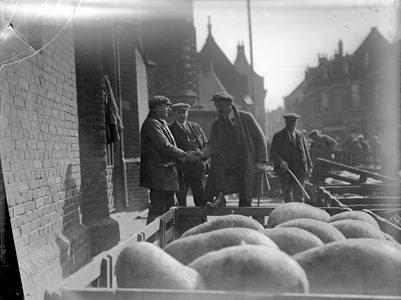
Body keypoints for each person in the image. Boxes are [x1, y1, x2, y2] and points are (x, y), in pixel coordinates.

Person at [195, 92, 267, 208]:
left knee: (245, 200)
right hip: (228, 163)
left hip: (246, 161)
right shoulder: (217, 124)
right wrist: (202, 153)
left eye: (221, 106)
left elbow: (260, 138)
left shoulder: (246, 117)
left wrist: (260, 161)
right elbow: (212, 144)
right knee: (217, 155)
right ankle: (220, 197)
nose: (219, 109)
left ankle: (246, 218)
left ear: (229, 104)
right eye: (217, 106)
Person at [140, 95, 200, 224]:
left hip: (166, 175)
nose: (168, 109)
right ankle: (151, 241)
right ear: (158, 107)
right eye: (166, 106)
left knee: (170, 208)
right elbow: (165, 147)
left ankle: (165, 239)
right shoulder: (152, 123)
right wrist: (185, 155)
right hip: (159, 175)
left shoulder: (159, 122)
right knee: (157, 210)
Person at [168, 103, 208, 207]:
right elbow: (169, 149)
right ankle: (181, 222)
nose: (182, 115)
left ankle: (202, 221)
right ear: (174, 114)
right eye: (179, 113)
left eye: (184, 112)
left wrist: (201, 153)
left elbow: (205, 143)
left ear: (187, 113)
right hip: (181, 168)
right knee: (181, 196)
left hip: (197, 166)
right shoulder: (169, 128)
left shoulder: (195, 126)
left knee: (201, 195)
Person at [270, 113, 313, 203]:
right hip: (285, 170)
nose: (293, 125)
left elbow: (305, 151)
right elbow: (273, 152)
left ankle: (300, 213)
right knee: (287, 194)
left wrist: (309, 166)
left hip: (299, 169)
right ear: (286, 122)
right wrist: (280, 161)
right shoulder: (278, 136)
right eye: (291, 122)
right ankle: (289, 214)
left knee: (299, 193)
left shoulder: (300, 134)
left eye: (295, 122)